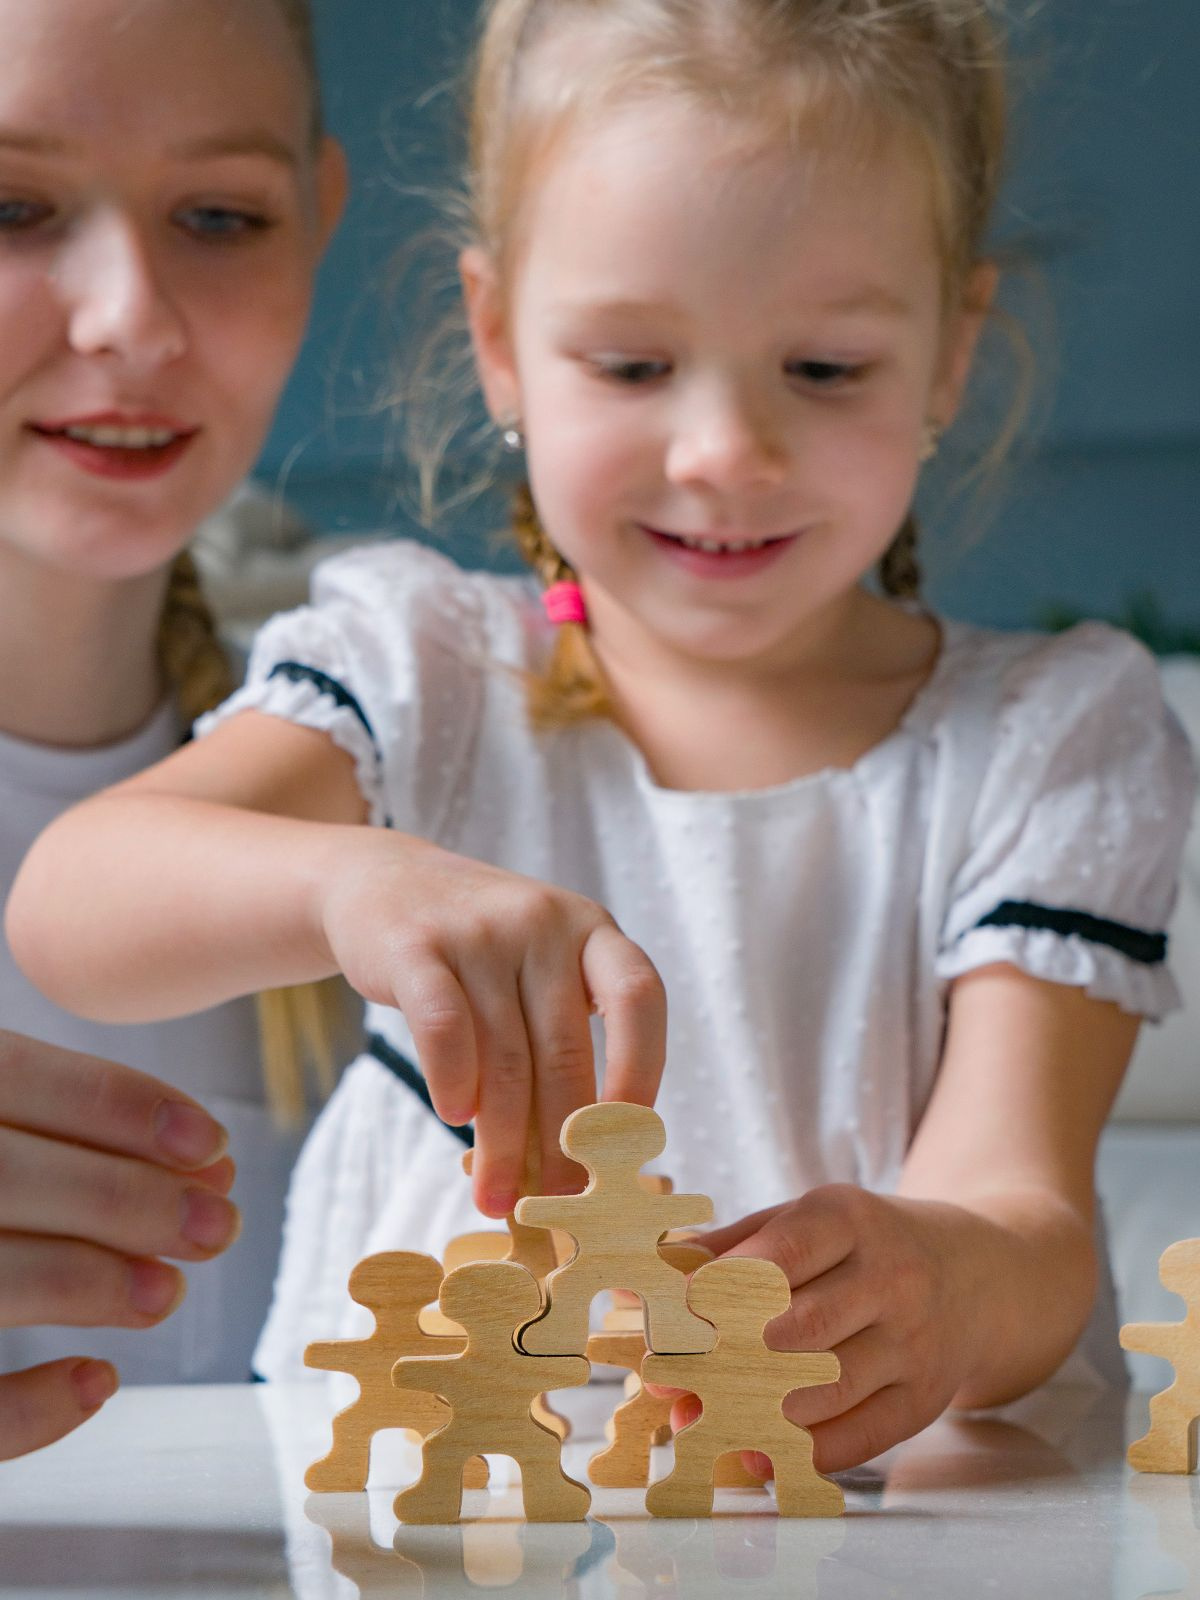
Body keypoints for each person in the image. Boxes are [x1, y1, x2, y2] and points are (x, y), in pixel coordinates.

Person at [9, 0, 1194, 1474]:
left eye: (823, 369)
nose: (723, 452)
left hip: (861, 1539)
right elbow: (76, 902)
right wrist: (351, 885)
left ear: (952, 350)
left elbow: (1028, 1214)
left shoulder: (1047, 738)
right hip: (412, 1516)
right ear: (500, 342)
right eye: (634, 367)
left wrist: (948, 1283)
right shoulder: (423, 668)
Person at [0, 0, 345, 1452]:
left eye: (219, 213)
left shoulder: (403, 754)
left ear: (318, 219)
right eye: (11, 204)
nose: (132, 318)